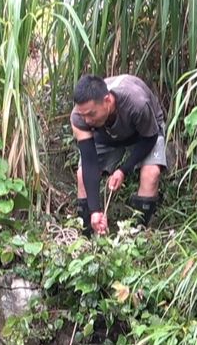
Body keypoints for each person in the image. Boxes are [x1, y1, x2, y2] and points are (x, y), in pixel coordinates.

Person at [70, 74, 167, 236]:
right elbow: (89, 161)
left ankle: (136, 236)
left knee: (151, 174)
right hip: (105, 134)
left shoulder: (137, 103)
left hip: (144, 133)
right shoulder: (79, 116)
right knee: (82, 175)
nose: (86, 120)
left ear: (108, 101)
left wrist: (123, 170)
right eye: (83, 115)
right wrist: (95, 210)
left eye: (91, 114)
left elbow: (149, 138)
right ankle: (87, 237)